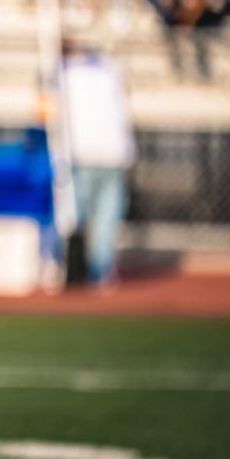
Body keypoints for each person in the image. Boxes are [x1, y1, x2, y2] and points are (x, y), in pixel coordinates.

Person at [61, 39, 135, 288]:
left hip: (83, 154)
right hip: (113, 153)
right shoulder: (109, 69)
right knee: (106, 216)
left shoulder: (63, 72)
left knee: (74, 214)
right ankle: (100, 272)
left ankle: (70, 268)